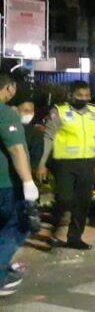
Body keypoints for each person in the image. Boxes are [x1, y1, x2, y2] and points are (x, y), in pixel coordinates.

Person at [36, 80, 95, 250]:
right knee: (64, 200)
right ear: (71, 96)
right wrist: (41, 163)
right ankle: (54, 228)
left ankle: (74, 238)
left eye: (87, 95)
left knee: (82, 202)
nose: (84, 98)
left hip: (86, 163)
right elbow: (49, 138)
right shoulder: (60, 112)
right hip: (64, 164)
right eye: (80, 95)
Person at [0, 75, 38, 296]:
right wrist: (28, 182)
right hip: (6, 185)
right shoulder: (4, 113)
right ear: (9, 88)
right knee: (18, 226)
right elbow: (16, 150)